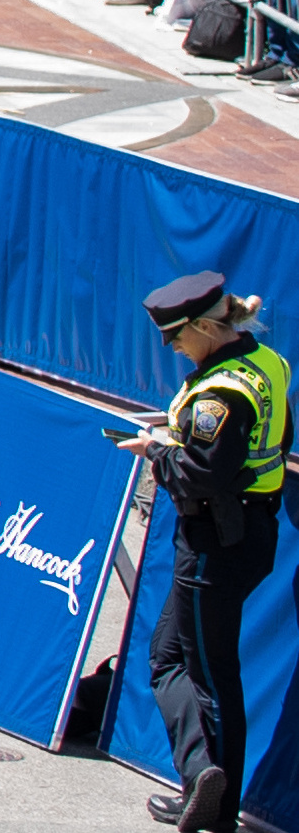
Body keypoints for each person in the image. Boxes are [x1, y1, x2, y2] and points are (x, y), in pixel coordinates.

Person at [133, 267, 289, 830]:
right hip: (247, 533)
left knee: (209, 676)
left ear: (202, 326)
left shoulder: (219, 394)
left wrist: (155, 451)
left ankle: (214, 804)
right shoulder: (265, 362)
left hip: (215, 543)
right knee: (168, 658)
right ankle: (201, 776)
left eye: (176, 336)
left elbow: (204, 474)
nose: (172, 347)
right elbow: (274, 441)